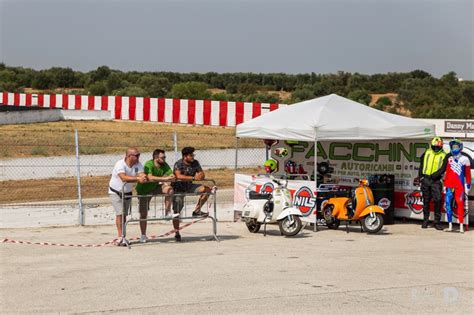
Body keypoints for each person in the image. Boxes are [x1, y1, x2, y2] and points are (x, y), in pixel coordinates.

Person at [136, 149, 177, 243]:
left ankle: (167, 213)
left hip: (155, 187)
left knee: (169, 190)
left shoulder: (164, 165)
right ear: (156, 158)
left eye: (165, 157)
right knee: (143, 213)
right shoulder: (148, 164)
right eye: (163, 157)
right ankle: (143, 235)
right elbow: (150, 177)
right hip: (144, 191)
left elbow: (171, 174)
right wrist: (165, 178)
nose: (164, 159)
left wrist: (172, 177)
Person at [109, 147, 147, 246]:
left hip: (127, 193)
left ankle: (123, 235)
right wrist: (138, 179)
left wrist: (142, 177)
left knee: (124, 215)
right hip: (115, 192)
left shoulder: (138, 164)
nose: (139, 157)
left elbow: (142, 175)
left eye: (139, 155)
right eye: (136, 155)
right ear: (129, 156)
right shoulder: (120, 164)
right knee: (120, 213)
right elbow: (124, 178)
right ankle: (119, 236)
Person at [434, 139, 471, 233]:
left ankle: (461, 226)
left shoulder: (465, 159)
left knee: (460, 204)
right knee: (448, 205)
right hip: (449, 186)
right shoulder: (449, 159)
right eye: (453, 147)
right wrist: (445, 184)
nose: (454, 148)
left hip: (459, 186)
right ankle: (450, 225)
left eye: (456, 146)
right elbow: (447, 172)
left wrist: (468, 184)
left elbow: (468, 174)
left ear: (460, 147)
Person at [173, 147, 212, 219]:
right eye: (191, 155)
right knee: (177, 212)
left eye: (193, 155)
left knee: (207, 190)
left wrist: (201, 176)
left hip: (189, 186)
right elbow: (178, 176)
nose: (193, 157)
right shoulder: (178, 164)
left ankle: (197, 211)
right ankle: (177, 230)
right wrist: (193, 178)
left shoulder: (195, 162)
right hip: (178, 188)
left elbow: (202, 173)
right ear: (185, 156)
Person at [417, 137, 446, 230]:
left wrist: (436, 175)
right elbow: (421, 164)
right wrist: (421, 176)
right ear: (432, 145)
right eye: (434, 146)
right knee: (426, 200)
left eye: (438, 147)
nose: (436, 148)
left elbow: (443, 168)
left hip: (436, 181)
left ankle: (437, 222)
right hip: (426, 179)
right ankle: (425, 220)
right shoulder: (427, 152)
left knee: (437, 200)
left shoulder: (443, 155)